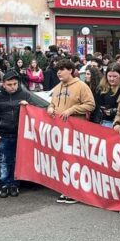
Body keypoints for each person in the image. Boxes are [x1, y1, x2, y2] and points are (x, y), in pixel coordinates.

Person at [47, 59, 95, 204]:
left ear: (70, 71)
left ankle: (75, 192)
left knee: (75, 161)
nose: (59, 72)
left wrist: (73, 109)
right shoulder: (57, 87)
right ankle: (66, 189)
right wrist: (50, 107)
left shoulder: (81, 86)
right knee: (63, 160)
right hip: (60, 131)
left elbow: (90, 105)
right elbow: (53, 103)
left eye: (62, 69)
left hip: (76, 129)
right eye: (58, 69)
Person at [0, 71, 33, 198]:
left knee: (16, 161)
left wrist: (28, 106)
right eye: (9, 84)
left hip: (19, 135)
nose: (13, 87)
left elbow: (35, 113)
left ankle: (14, 185)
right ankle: (4, 185)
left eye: (15, 84)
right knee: (3, 161)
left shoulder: (25, 95)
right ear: (3, 84)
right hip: (2, 135)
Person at [95, 63, 120, 128]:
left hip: (116, 123)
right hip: (101, 121)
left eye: (115, 76)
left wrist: (114, 111)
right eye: (109, 76)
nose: (111, 79)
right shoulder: (101, 88)